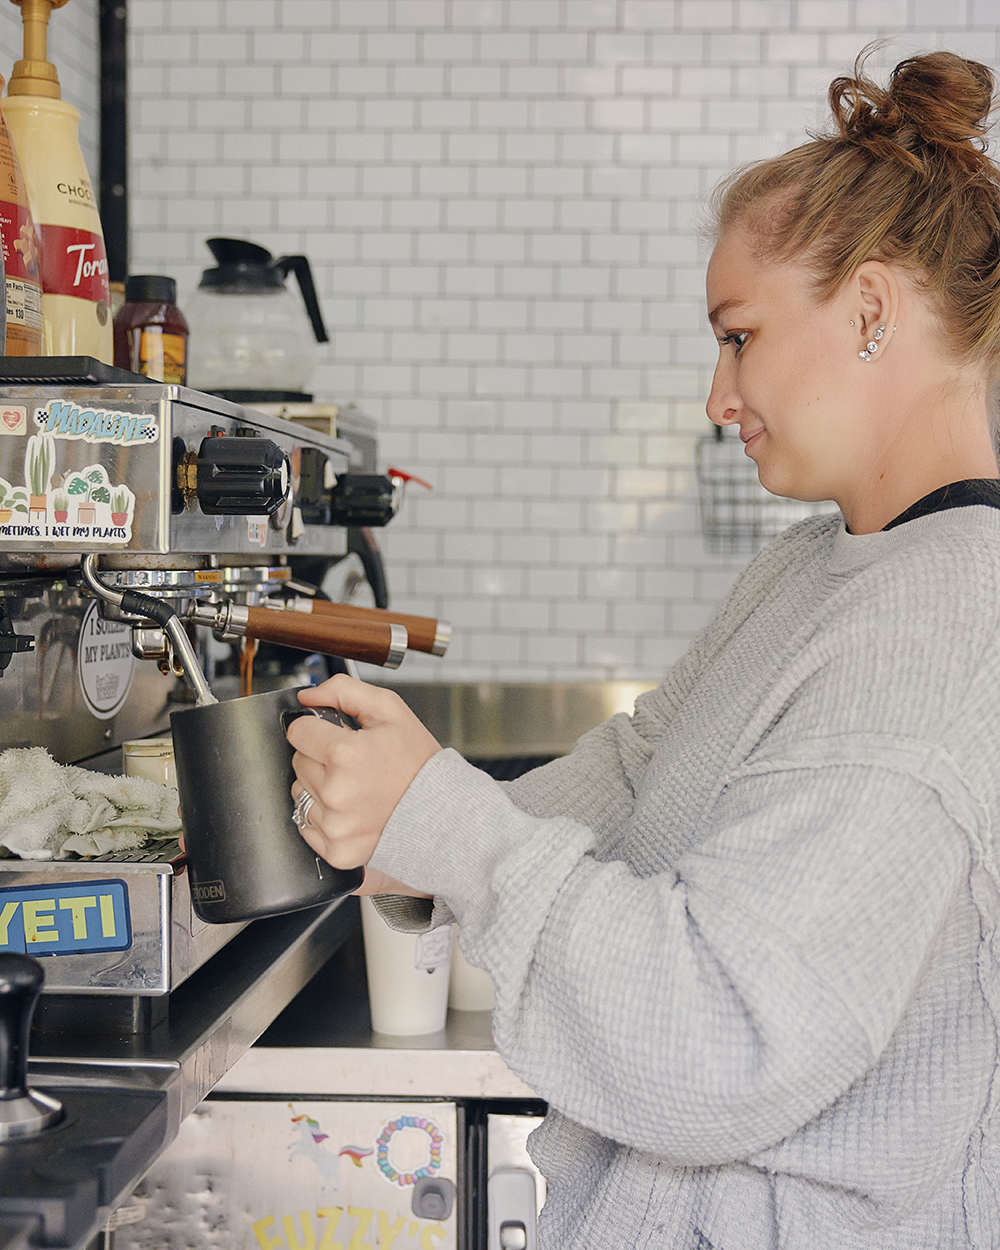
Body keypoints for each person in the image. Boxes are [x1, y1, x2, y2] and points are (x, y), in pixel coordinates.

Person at [286, 49, 1000, 1250]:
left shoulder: (933, 633)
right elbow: (639, 766)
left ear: (871, 310)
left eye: (739, 337)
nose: (719, 397)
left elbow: (722, 1036)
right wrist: (402, 837)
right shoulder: (819, 564)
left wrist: (447, 821)